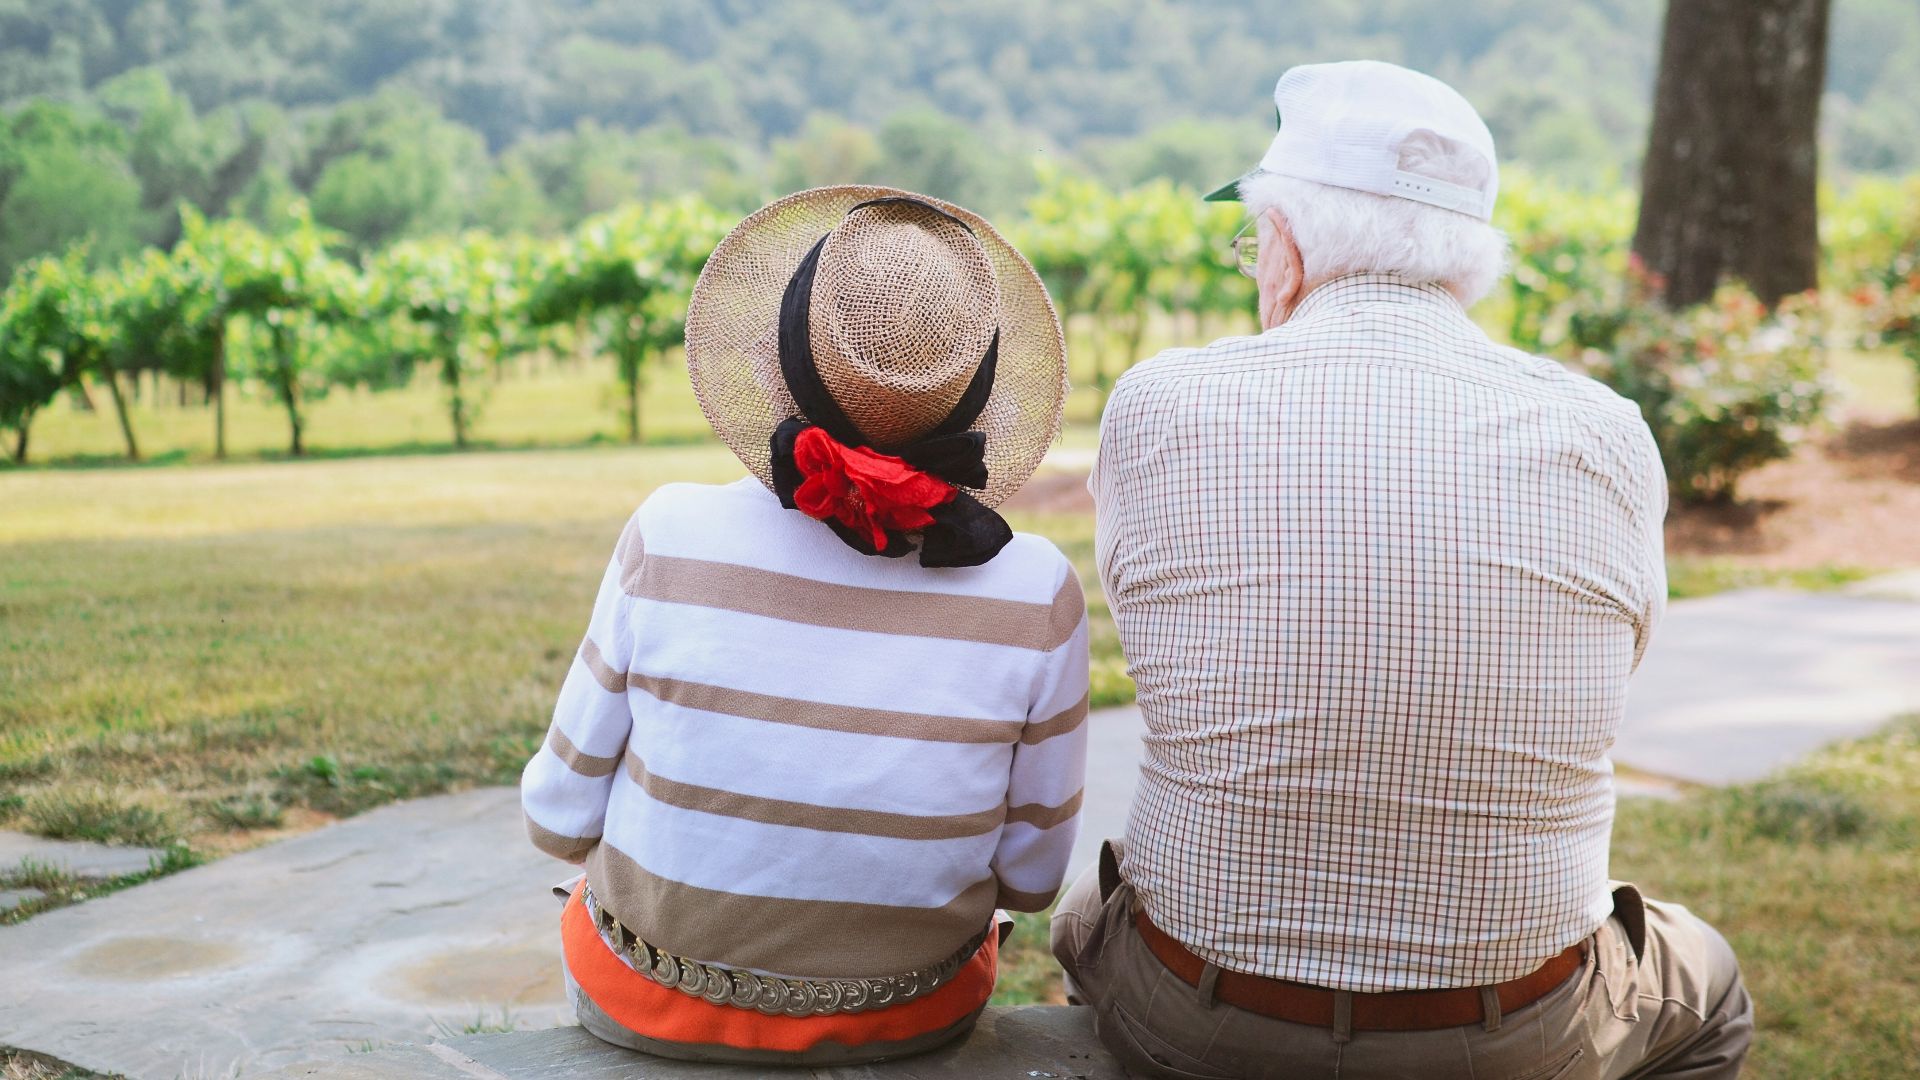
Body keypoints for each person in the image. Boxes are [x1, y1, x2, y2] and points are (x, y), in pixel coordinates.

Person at [1053, 61, 1752, 1079]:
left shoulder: (1160, 404)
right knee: (1710, 982)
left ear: (1285, 244)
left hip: (1202, 1017)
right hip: (1517, 1029)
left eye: (1254, 238)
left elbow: (1159, 633)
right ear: (1470, 257)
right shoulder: (1606, 432)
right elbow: (1619, 660)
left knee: (1088, 913)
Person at [522, 187, 1089, 1065]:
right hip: (911, 1013)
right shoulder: (1035, 588)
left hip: (649, 997)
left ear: (783, 355)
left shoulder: (668, 532)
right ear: (975, 391)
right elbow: (1034, 881)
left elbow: (557, 816)